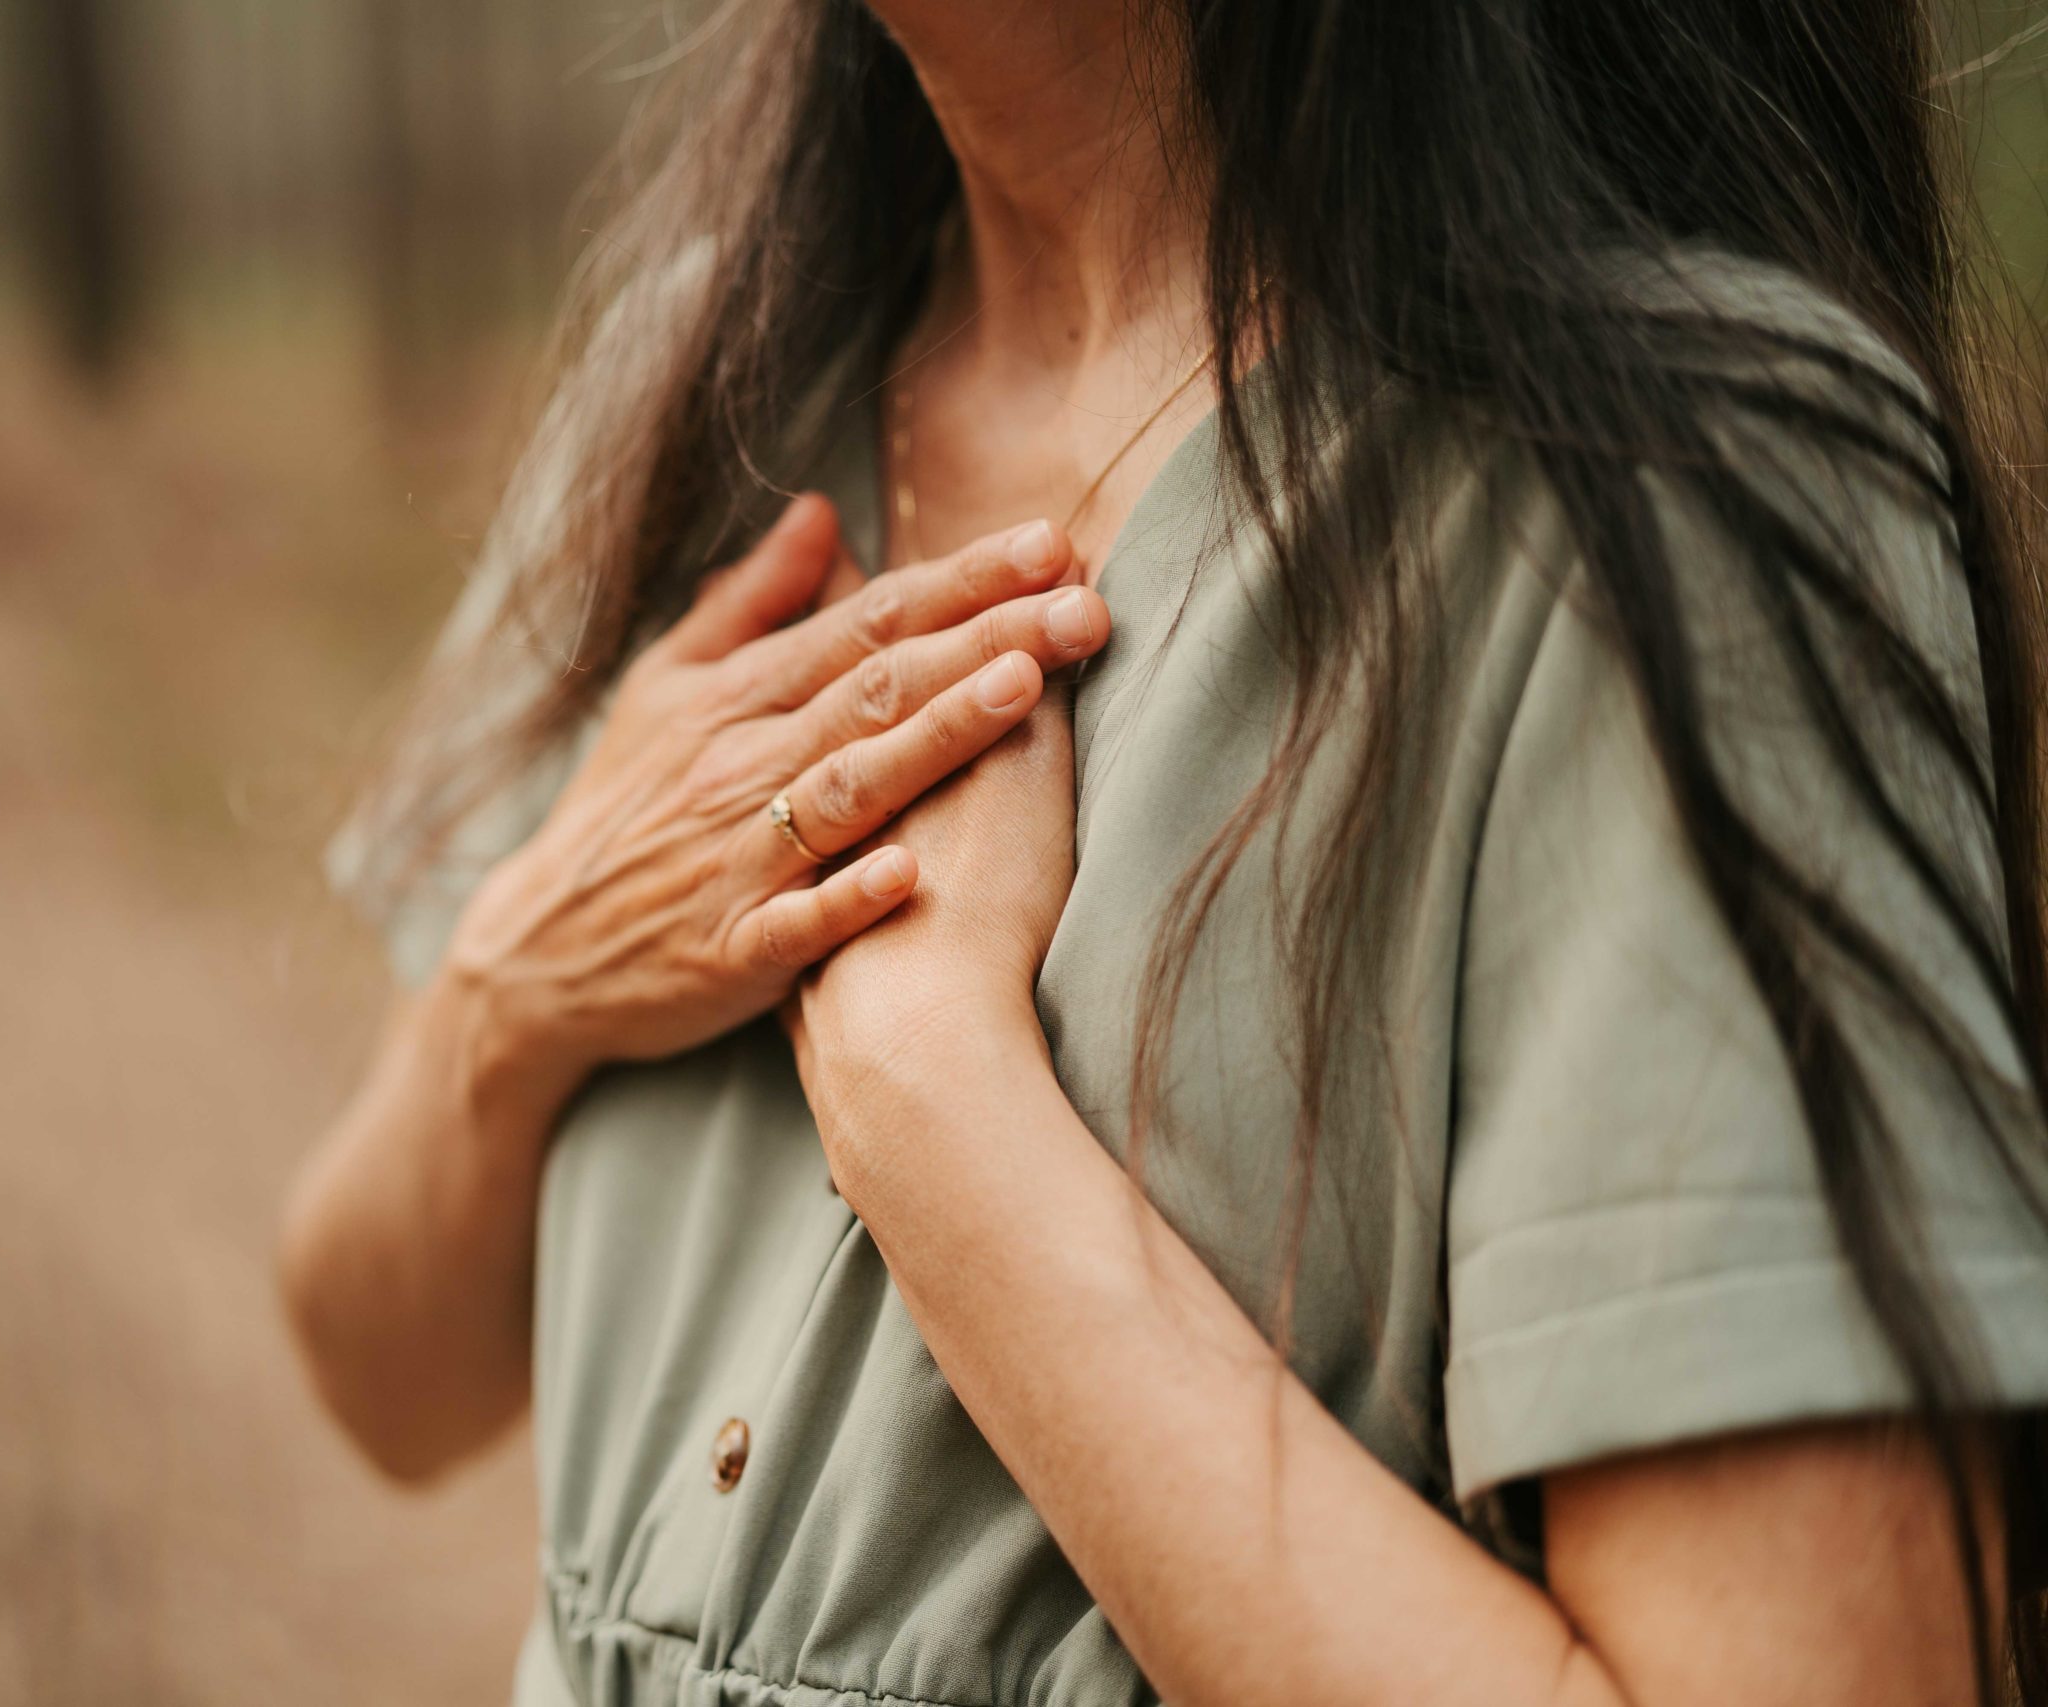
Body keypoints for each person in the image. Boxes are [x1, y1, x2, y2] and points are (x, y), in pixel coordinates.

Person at [281, 1, 2048, 1701]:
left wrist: (939, 1111)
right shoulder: (720, 367)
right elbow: (384, 1379)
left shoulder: (1665, 493)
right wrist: (518, 983)